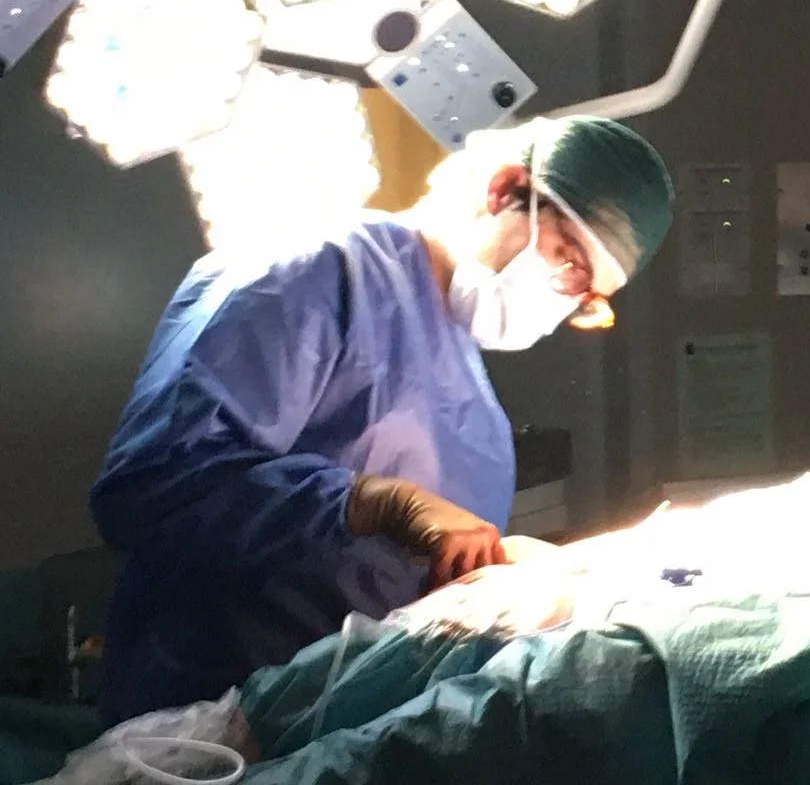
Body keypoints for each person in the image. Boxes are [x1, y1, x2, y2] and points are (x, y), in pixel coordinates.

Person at [89, 115, 675, 725]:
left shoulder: (470, 389)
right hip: (205, 727)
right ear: (504, 190)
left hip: (346, 729)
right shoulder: (307, 270)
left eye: (588, 296)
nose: (565, 297)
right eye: (568, 260)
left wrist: (497, 572)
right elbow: (148, 488)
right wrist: (371, 503)